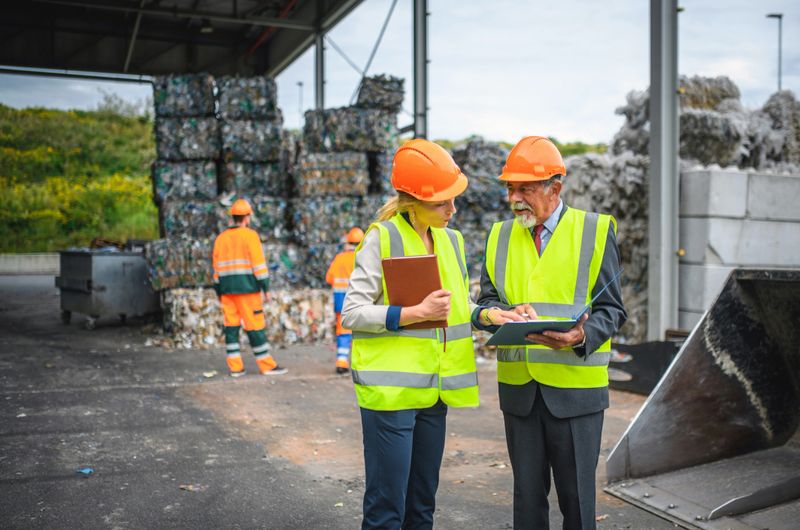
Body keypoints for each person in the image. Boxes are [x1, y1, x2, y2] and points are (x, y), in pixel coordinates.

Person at [342, 139, 522, 530]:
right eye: (443, 202)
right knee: (387, 507)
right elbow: (352, 313)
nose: (452, 209)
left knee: (422, 506)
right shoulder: (383, 238)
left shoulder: (451, 241)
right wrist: (413, 313)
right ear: (412, 201)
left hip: (434, 391)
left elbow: (457, 308)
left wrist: (492, 315)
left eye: (454, 199)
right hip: (389, 396)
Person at [475, 136, 627, 529]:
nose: (515, 198)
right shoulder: (498, 236)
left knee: (577, 501)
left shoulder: (594, 231)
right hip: (520, 391)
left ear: (555, 188)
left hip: (576, 392)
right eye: (510, 188)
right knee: (527, 500)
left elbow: (612, 309)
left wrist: (580, 337)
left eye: (525, 188)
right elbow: (486, 303)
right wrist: (498, 315)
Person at [212, 198, 287, 377]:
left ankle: (235, 368)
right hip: (248, 291)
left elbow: (215, 268)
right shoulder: (250, 236)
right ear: (247, 217)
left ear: (232, 217)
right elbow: (259, 265)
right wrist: (266, 287)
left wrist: (218, 290)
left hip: (227, 292)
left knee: (231, 328)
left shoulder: (221, 239)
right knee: (255, 326)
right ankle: (266, 365)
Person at [325, 227, 364, 374]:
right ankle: (360, 364)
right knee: (361, 332)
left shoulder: (339, 258)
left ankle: (342, 361)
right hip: (359, 302)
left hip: (341, 301)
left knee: (343, 331)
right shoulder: (363, 258)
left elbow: (329, 278)